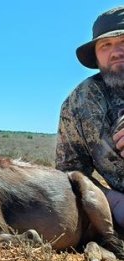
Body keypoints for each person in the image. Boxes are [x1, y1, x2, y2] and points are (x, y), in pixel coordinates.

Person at [55, 6, 124, 228]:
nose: (116, 51)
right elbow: (69, 174)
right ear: (96, 55)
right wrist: (114, 203)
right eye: (106, 45)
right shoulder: (79, 102)